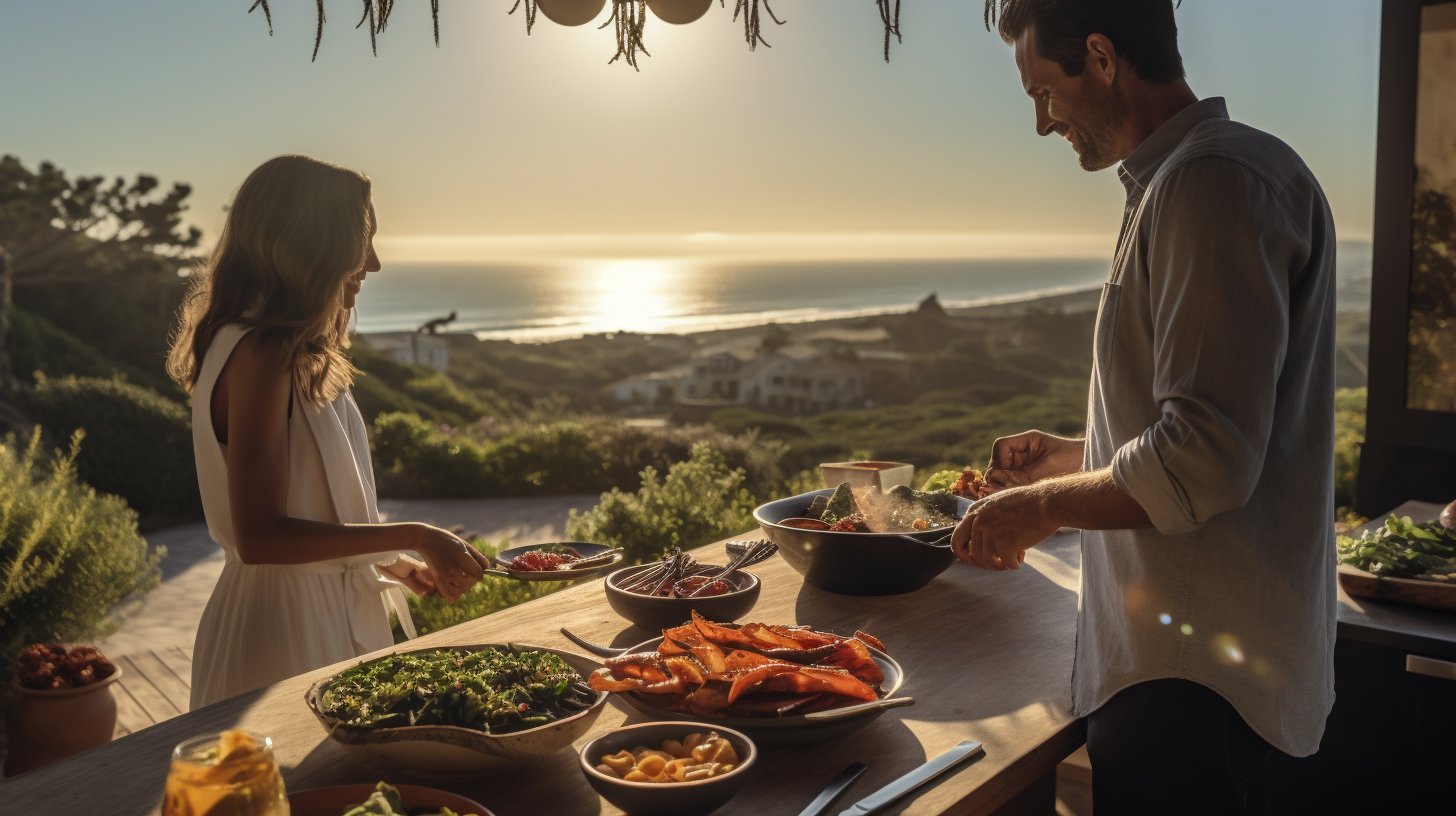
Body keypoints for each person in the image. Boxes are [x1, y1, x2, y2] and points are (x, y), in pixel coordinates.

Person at [953, 3, 1337, 813]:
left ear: (1100, 57)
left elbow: (1202, 459)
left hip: (1191, 690)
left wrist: (1041, 507)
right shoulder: (1188, 178)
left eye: (1042, 93)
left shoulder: (1211, 180)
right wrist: (1076, 453)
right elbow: (1216, 422)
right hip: (1192, 677)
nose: (1039, 123)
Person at [167, 155, 489, 709]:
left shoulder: (276, 346)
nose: (374, 262)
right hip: (281, 632)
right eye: (361, 239)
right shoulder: (260, 351)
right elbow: (261, 537)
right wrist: (413, 533)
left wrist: (387, 561)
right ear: (311, 244)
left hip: (312, 612)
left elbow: (312, 508)